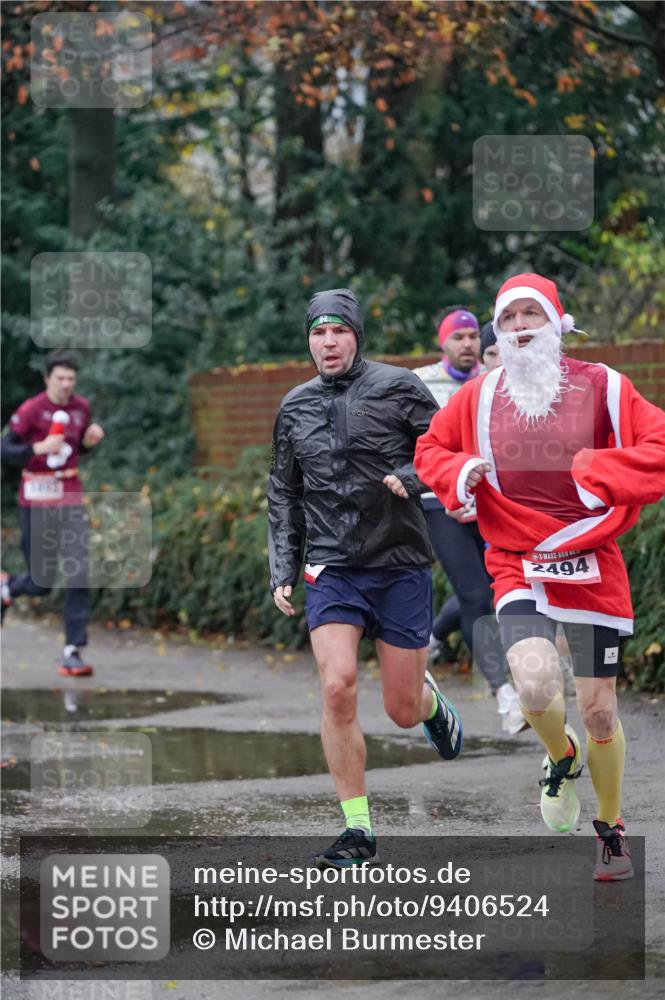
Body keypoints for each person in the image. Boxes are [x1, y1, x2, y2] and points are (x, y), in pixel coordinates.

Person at [415, 272, 665, 880]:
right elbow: (430, 451)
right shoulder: (478, 396)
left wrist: (598, 470)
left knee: (600, 708)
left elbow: (657, 445)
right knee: (531, 687)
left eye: (532, 315)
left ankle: (610, 827)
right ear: (499, 332)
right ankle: (561, 756)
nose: (521, 327)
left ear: (556, 323)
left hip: (589, 558)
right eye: (509, 319)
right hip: (516, 557)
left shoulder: (604, 386)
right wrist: (462, 472)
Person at [268, 288, 463, 868]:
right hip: (330, 566)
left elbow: (445, 449)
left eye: (339, 332)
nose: (328, 343)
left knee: (400, 708)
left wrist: (410, 473)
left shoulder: (398, 387)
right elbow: (284, 491)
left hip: (399, 561)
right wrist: (283, 563)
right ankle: (358, 830)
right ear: (308, 340)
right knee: (337, 684)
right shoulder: (295, 407)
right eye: (318, 333)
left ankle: (430, 706)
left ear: (356, 336)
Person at [412, 308, 525, 735]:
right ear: (443, 342)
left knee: (496, 587)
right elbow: (416, 446)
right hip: (440, 505)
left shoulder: (495, 381)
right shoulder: (420, 382)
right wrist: (446, 489)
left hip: (488, 502)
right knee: (476, 593)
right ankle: (505, 696)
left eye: (470, 337)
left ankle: (433, 637)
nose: (466, 344)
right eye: (456, 337)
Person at [1, 350, 105, 676]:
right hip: (35, 497)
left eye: (71, 379)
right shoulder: (32, 410)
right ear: (47, 379)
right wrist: (35, 449)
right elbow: (4, 450)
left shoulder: (81, 407)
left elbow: (75, 451)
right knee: (40, 582)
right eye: (59, 378)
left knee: (78, 570)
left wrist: (88, 443)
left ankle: (73, 650)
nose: (65, 384)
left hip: (70, 495)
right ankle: (7, 588)